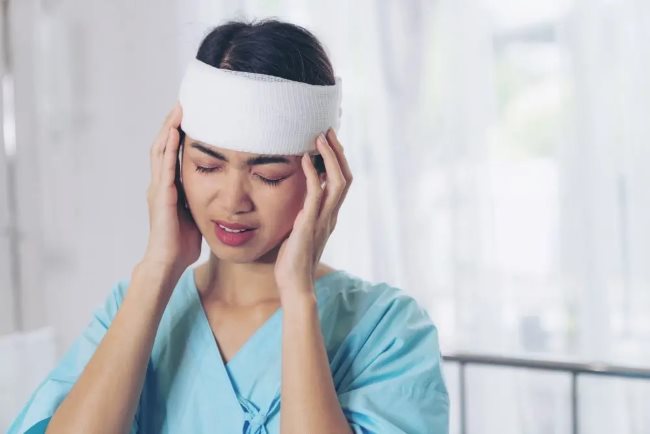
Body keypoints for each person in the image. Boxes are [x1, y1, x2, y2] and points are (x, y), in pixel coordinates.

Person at [7, 18, 449, 434]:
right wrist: (158, 268)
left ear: (324, 175)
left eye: (268, 175)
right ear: (174, 163)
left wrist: (298, 297)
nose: (233, 200)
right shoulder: (134, 307)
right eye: (207, 166)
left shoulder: (387, 330)